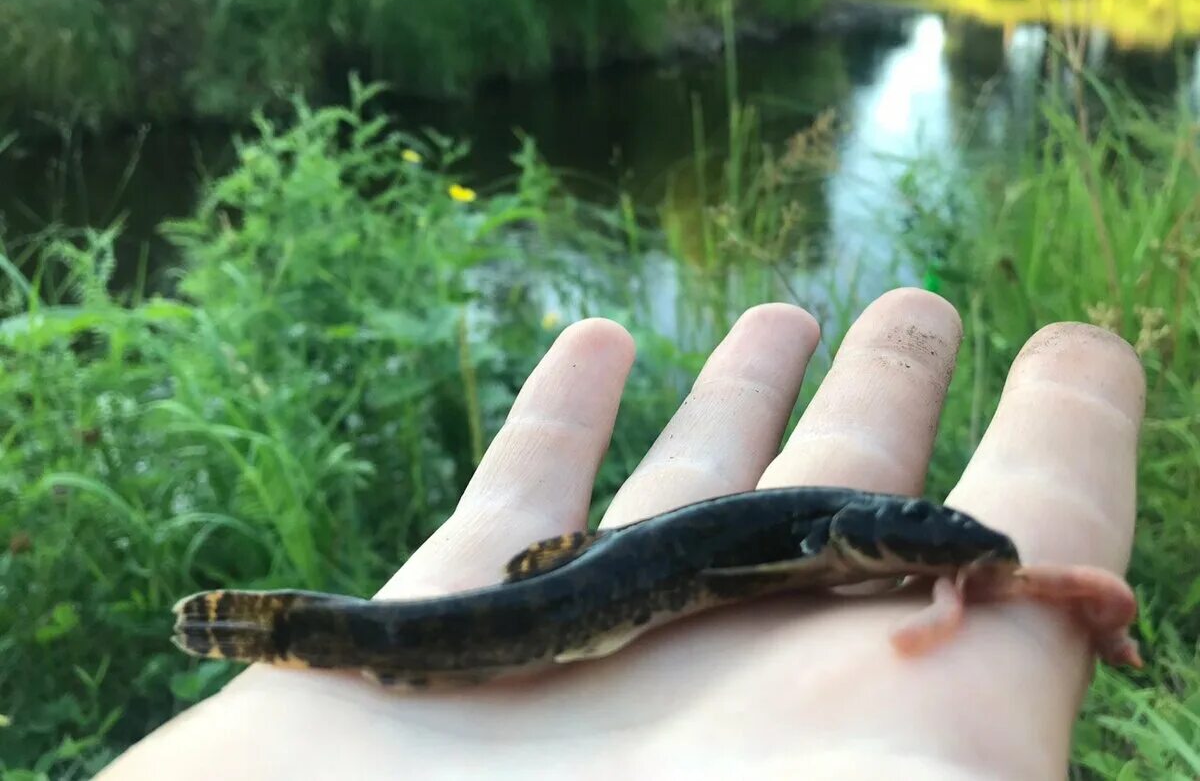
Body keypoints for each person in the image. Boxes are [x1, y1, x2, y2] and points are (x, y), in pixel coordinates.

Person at [101, 289, 1144, 779]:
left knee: (509, 616)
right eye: (918, 539)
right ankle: (295, 630)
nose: (932, 547)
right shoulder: (822, 540)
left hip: (593, 588)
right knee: (487, 625)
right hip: (573, 602)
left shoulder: (838, 544)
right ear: (856, 540)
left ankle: (301, 629)